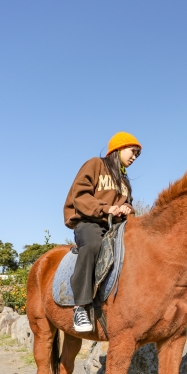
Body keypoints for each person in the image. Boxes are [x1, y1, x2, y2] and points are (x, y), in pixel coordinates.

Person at [63, 132, 141, 332]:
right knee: (94, 246)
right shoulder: (96, 164)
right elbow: (79, 195)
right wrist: (106, 208)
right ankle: (80, 306)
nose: (134, 157)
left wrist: (127, 209)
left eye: (137, 155)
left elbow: (129, 204)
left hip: (114, 226)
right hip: (89, 221)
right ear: (118, 148)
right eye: (133, 152)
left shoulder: (124, 180)